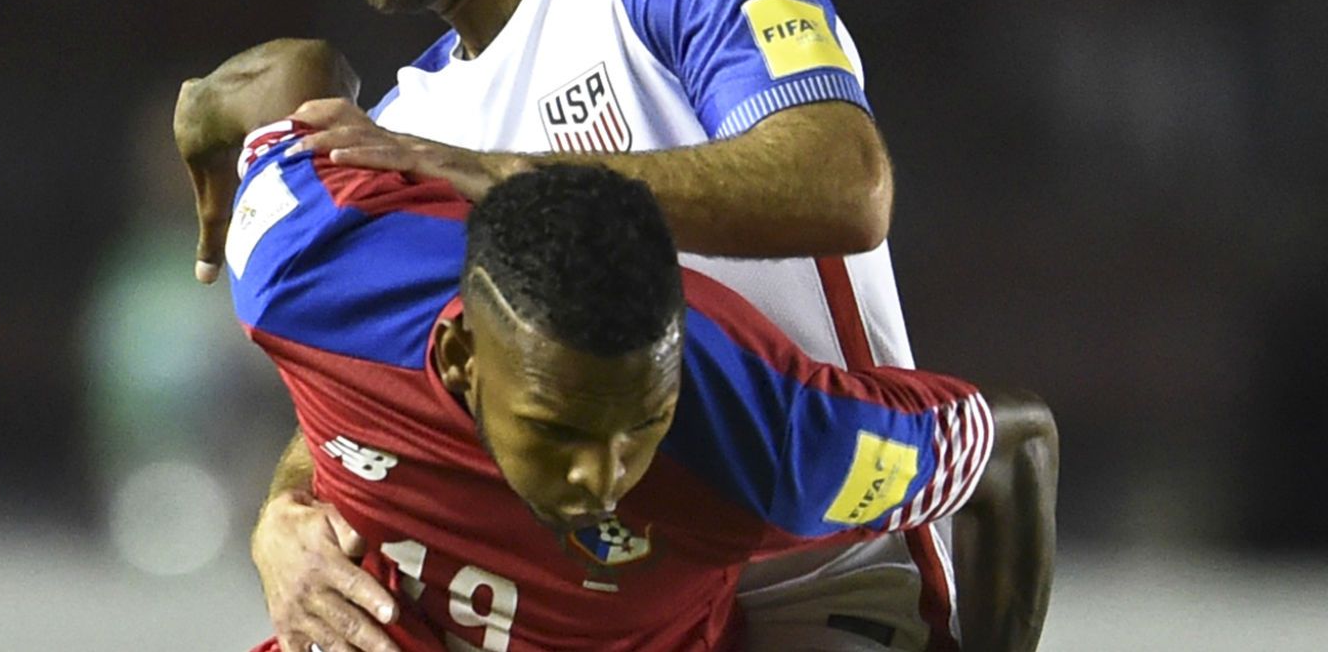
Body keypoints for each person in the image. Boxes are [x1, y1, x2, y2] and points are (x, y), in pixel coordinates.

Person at [185, 0, 970, 649]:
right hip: (614, 601)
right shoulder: (417, 112)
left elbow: (844, 183)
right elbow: (389, 389)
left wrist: (505, 173)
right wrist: (288, 512)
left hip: (825, 579)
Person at [174, 40, 1055, 652]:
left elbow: (1013, 444)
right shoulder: (307, 257)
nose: (604, 479)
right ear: (460, 368)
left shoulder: (778, 449)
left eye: (645, 426)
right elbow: (287, 77)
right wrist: (199, 119)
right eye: (561, 432)